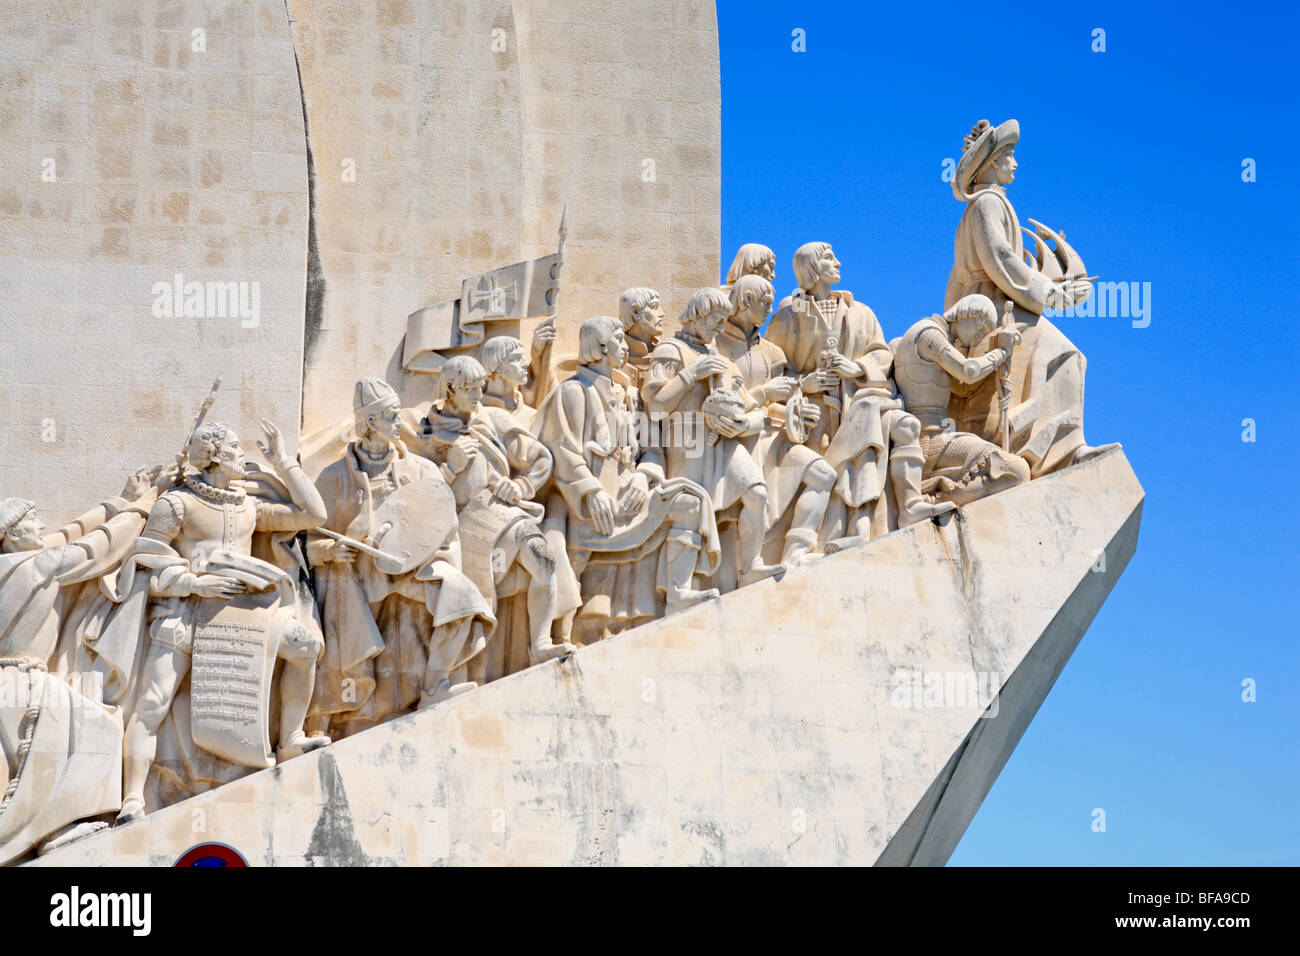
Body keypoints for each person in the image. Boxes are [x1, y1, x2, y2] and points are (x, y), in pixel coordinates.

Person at [116, 421, 329, 823]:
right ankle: (131, 799)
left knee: (306, 647)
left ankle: (291, 739)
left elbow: (314, 514)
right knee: (153, 702)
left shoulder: (247, 505)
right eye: (234, 446)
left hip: (240, 615)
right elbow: (145, 565)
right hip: (186, 612)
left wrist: (284, 461)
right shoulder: (176, 504)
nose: (242, 453)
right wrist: (198, 583)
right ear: (213, 455)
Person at [309, 379, 494, 738]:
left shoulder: (421, 470)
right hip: (360, 576)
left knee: (463, 598)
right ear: (370, 423)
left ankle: (436, 685)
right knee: (337, 609)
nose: (401, 422)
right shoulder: (333, 479)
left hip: (411, 570)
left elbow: (444, 525)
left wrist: (436, 556)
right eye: (392, 416)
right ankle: (322, 718)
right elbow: (309, 541)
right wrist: (331, 551)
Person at [0, 472, 159, 861]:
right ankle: (54, 828)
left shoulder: (16, 564)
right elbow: (95, 548)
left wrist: (119, 499)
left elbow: (68, 534)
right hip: (22, 680)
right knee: (99, 724)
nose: (42, 526)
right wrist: (140, 507)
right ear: (15, 535)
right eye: (33, 522)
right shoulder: (39, 565)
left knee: (15, 764)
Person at [946, 118, 1117, 476]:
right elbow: (1002, 262)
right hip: (991, 308)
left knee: (1066, 357)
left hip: (997, 302)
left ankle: (1057, 447)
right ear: (992, 162)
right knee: (1066, 354)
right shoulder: (987, 203)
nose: (1015, 162)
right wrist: (1053, 294)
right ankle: (1060, 452)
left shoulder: (989, 203)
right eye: (1009, 155)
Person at [533, 316, 720, 641]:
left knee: (691, 503)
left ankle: (678, 594)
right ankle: (558, 635)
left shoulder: (630, 397)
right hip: (591, 509)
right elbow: (563, 449)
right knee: (574, 563)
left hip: (631, 499)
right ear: (603, 346)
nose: (626, 348)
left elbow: (652, 449)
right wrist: (591, 492)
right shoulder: (574, 392)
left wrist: (644, 477)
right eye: (620, 341)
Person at [767, 242, 951, 546]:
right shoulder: (788, 316)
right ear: (811, 268)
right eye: (829, 258)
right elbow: (773, 371)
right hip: (816, 415)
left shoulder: (861, 312)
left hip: (860, 399)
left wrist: (856, 368)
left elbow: (880, 354)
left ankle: (910, 504)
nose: (838, 262)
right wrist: (805, 384)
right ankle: (847, 533)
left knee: (903, 427)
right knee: (841, 464)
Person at [406, 355, 575, 674]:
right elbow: (415, 494)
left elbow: (542, 459)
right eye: (469, 388)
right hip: (459, 527)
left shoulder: (492, 420)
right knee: (467, 602)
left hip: (501, 511)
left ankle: (539, 645)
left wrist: (522, 485)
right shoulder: (426, 432)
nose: (477, 395)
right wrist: (450, 468)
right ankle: (448, 677)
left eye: (480, 387)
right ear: (451, 388)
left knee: (544, 560)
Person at [642, 288, 784, 587]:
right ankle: (680, 588)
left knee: (757, 494)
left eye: (724, 321)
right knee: (692, 511)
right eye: (716, 321)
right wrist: (691, 373)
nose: (721, 329)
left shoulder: (718, 359)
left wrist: (747, 419)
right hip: (687, 443)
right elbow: (655, 406)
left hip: (724, 444)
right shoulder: (671, 350)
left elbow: (743, 403)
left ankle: (750, 568)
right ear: (698, 315)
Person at [718, 275, 834, 567]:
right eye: (765, 303)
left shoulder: (772, 352)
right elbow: (721, 399)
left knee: (823, 474)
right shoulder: (715, 343)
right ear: (746, 301)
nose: (770, 310)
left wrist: (798, 412)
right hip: (735, 439)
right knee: (754, 497)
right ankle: (749, 565)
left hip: (772, 439)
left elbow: (783, 402)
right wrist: (764, 393)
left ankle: (796, 552)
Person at [893, 294, 1031, 505]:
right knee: (1016, 470)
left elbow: (963, 384)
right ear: (967, 313)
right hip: (931, 439)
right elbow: (969, 370)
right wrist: (1002, 351)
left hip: (936, 435)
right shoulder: (930, 334)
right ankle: (939, 498)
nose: (978, 337)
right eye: (981, 327)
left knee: (1014, 470)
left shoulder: (926, 336)